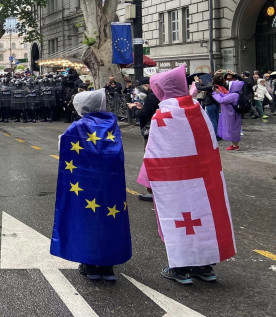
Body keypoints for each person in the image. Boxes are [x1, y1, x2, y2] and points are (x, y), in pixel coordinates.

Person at [137, 66, 235, 285]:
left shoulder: (163, 113)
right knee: (204, 218)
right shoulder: (196, 108)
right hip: (204, 180)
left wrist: (148, 180)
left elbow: (154, 152)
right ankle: (205, 267)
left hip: (174, 181)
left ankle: (180, 268)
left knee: (178, 220)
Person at [50, 89, 131, 282]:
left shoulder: (77, 127)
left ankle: (89, 264)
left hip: (84, 187)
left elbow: (64, 148)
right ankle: (107, 266)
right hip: (111, 186)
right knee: (110, 221)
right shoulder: (112, 124)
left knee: (86, 221)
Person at [213, 79, 244, 151]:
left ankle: (235, 145)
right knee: (235, 129)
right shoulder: (237, 94)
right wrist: (219, 93)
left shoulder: (233, 95)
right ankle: (235, 144)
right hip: (235, 114)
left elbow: (222, 100)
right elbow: (225, 97)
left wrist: (215, 94)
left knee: (232, 129)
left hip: (230, 115)